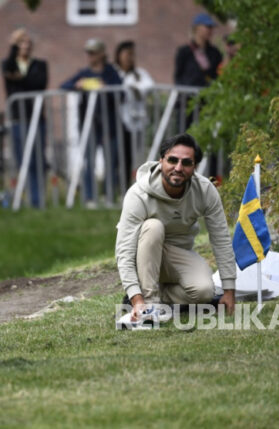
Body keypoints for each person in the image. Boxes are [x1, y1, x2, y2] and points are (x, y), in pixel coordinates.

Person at [115, 133, 236, 323]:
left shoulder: (205, 190)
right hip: (144, 255)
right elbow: (124, 251)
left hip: (178, 255)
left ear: (194, 167)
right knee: (153, 226)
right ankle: (147, 302)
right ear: (161, 160)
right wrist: (135, 294)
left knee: (205, 292)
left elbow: (221, 238)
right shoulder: (138, 194)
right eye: (172, 160)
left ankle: (158, 295)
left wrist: (229, 290)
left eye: (186, 163)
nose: (178, 168)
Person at [61, 38, 122, 206]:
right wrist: (77, 85)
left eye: (93, 52)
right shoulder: (84, 73)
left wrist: (106, 87)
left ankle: (109, 196)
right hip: (89, 125)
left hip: (109, 124)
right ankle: (89, 198)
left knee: (111, 161)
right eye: (88, 52)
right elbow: (63, 86)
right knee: (89, 161)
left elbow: (120, 91)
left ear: (102, 54)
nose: (90, 56)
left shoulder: (111, 72)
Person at [1, 28, 49, 208]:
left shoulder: (40, 65)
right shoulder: (8, 63)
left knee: (37, 160)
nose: (25, 47)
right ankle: (22, 198)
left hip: (36, 119)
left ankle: (37, 201)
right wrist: (12, 46)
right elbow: (8, 71)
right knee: (22, 161)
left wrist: (18, 79)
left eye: (28, 43)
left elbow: (38, 84)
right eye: (21, 43)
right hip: (17, 120)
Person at [173, 12, 223, 179]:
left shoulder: (215, 53)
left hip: (208, 105)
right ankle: (186, 177)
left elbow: (217, 76)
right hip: (187, 106)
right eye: (206, 27)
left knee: (211, 144)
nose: (210, 31)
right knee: (186, 142)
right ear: (196, 29)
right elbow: (178, 78)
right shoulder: (184, 52)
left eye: (211, 28)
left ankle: (211, 180)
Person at [114, 40, 154, 186]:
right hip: (118, 121)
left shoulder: (139, 74)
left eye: (132, 55)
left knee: (132, 156)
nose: (129, 58)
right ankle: (116, 187)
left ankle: (131, 186)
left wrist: (134, 89)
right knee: (117, 156)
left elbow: (148, 85)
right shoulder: (114, 73)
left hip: (135, 122)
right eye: (126, 54)